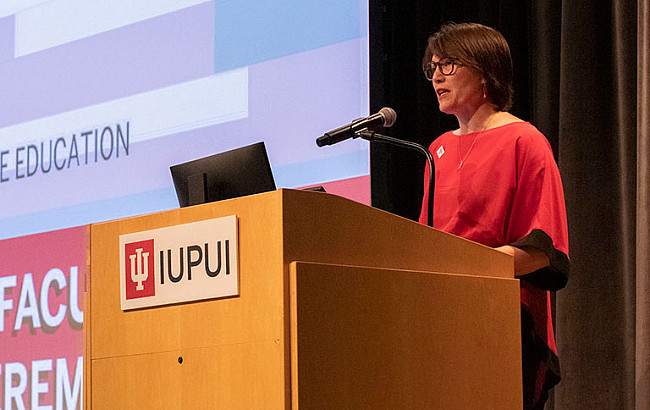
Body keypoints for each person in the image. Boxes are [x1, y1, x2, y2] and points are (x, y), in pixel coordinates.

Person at [418, 22, 570, 410]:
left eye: (448, 64)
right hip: (442, 321)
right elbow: (422, 245)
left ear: (486, 71)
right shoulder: (435, 151)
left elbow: (543, 251)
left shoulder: (525, 142)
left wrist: (465, 264)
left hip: (504, 320)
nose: (436, 75)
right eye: (432, 66)